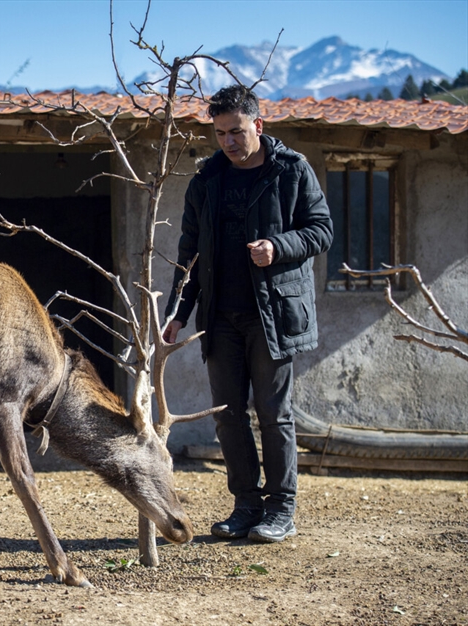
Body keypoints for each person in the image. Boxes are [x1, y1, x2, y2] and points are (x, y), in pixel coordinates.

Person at [162, 85, 333, 543]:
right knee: (228, 415)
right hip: (220, 316)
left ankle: (281, 510)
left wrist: (278, 247)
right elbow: (189, 254)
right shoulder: (206, 182)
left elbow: (321, 230)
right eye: (220, 134)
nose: (229, 142)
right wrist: (178, 311)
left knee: (274, 413)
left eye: (236, 131)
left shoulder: (291, 171)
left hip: (273, 314)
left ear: (258, 125)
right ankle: (245, 506)